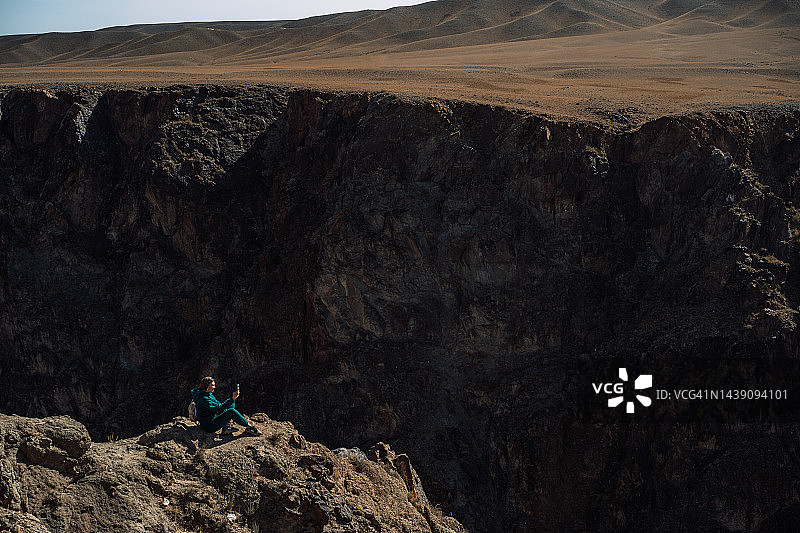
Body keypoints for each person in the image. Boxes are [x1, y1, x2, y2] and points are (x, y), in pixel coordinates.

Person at [191, 377, 261, 436]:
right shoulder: (203, 399)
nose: (214, 387)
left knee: (230, 406)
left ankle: (226, 427)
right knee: (231, 411)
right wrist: (232, 399)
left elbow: (218, 406)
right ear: (207, 386)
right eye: (212, 385)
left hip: (213, 417)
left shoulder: (207, 394)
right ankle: (249, 427)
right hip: (209, 426)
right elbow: (219, 409)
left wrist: (232, 400)